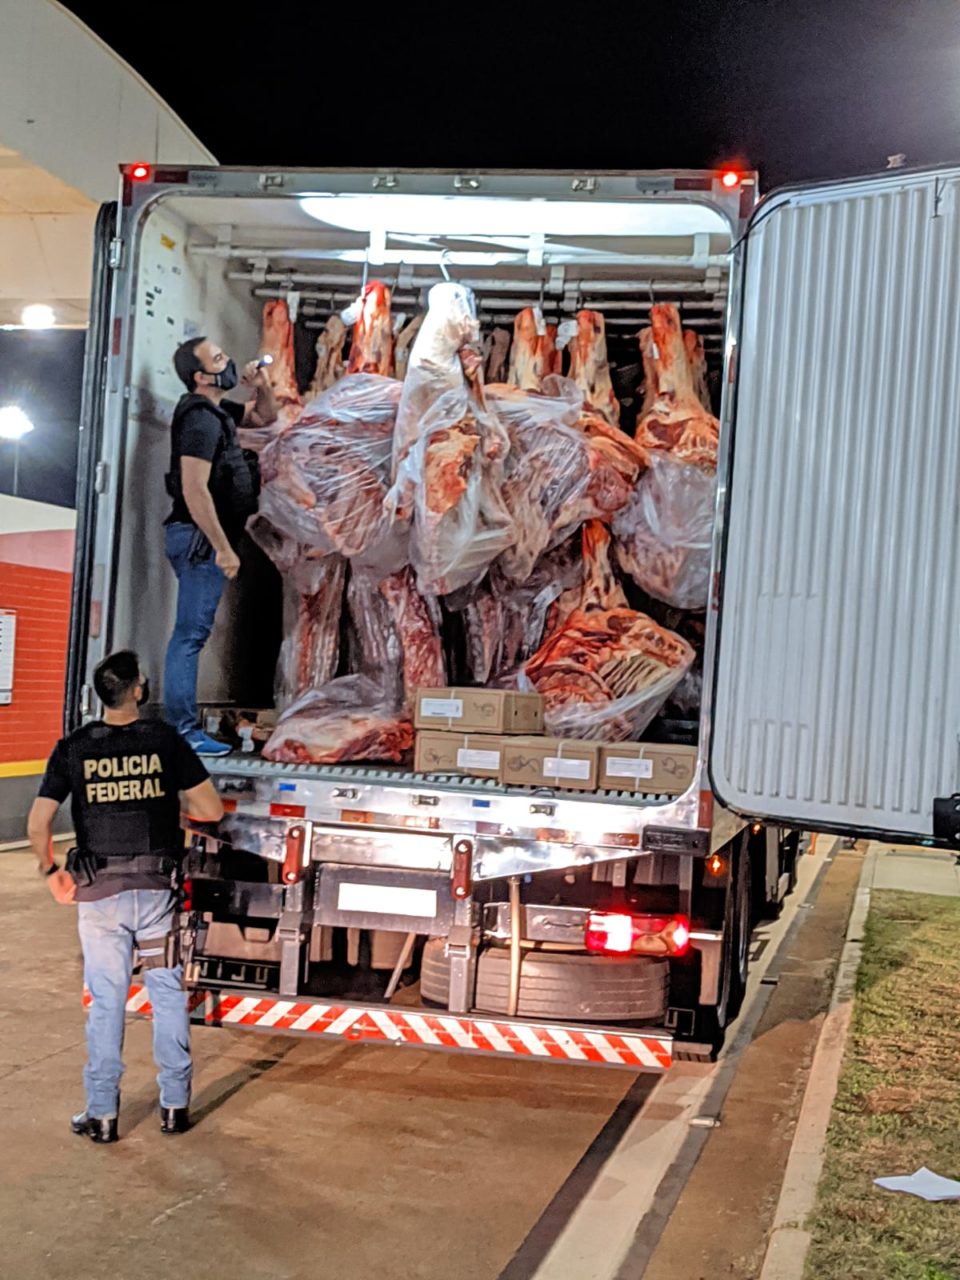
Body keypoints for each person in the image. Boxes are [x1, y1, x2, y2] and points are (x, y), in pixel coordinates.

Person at [27, 650, 224, 1144]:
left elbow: (38, 823)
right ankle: (174, 1106)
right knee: (167, 993)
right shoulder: (164, 740)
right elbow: (211, 810)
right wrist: (165, 806)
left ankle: (102, 1115)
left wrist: (51, 872)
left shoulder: (74, 747)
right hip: (156, 892)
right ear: (137, 689)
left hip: (99, 894)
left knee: (107, 1001)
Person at [164, 337, 278, 755]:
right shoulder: (200, 421)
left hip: (205, 540)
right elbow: (194, 489)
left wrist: (261, 385)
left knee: (194, 632)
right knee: (190, 635)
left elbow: (264, 417)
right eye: (218, 359)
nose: (227, 361)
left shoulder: (218, 412)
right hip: (199, 540)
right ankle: (183, 731)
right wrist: (222, 547)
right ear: (201, 377)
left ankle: (184, 729)